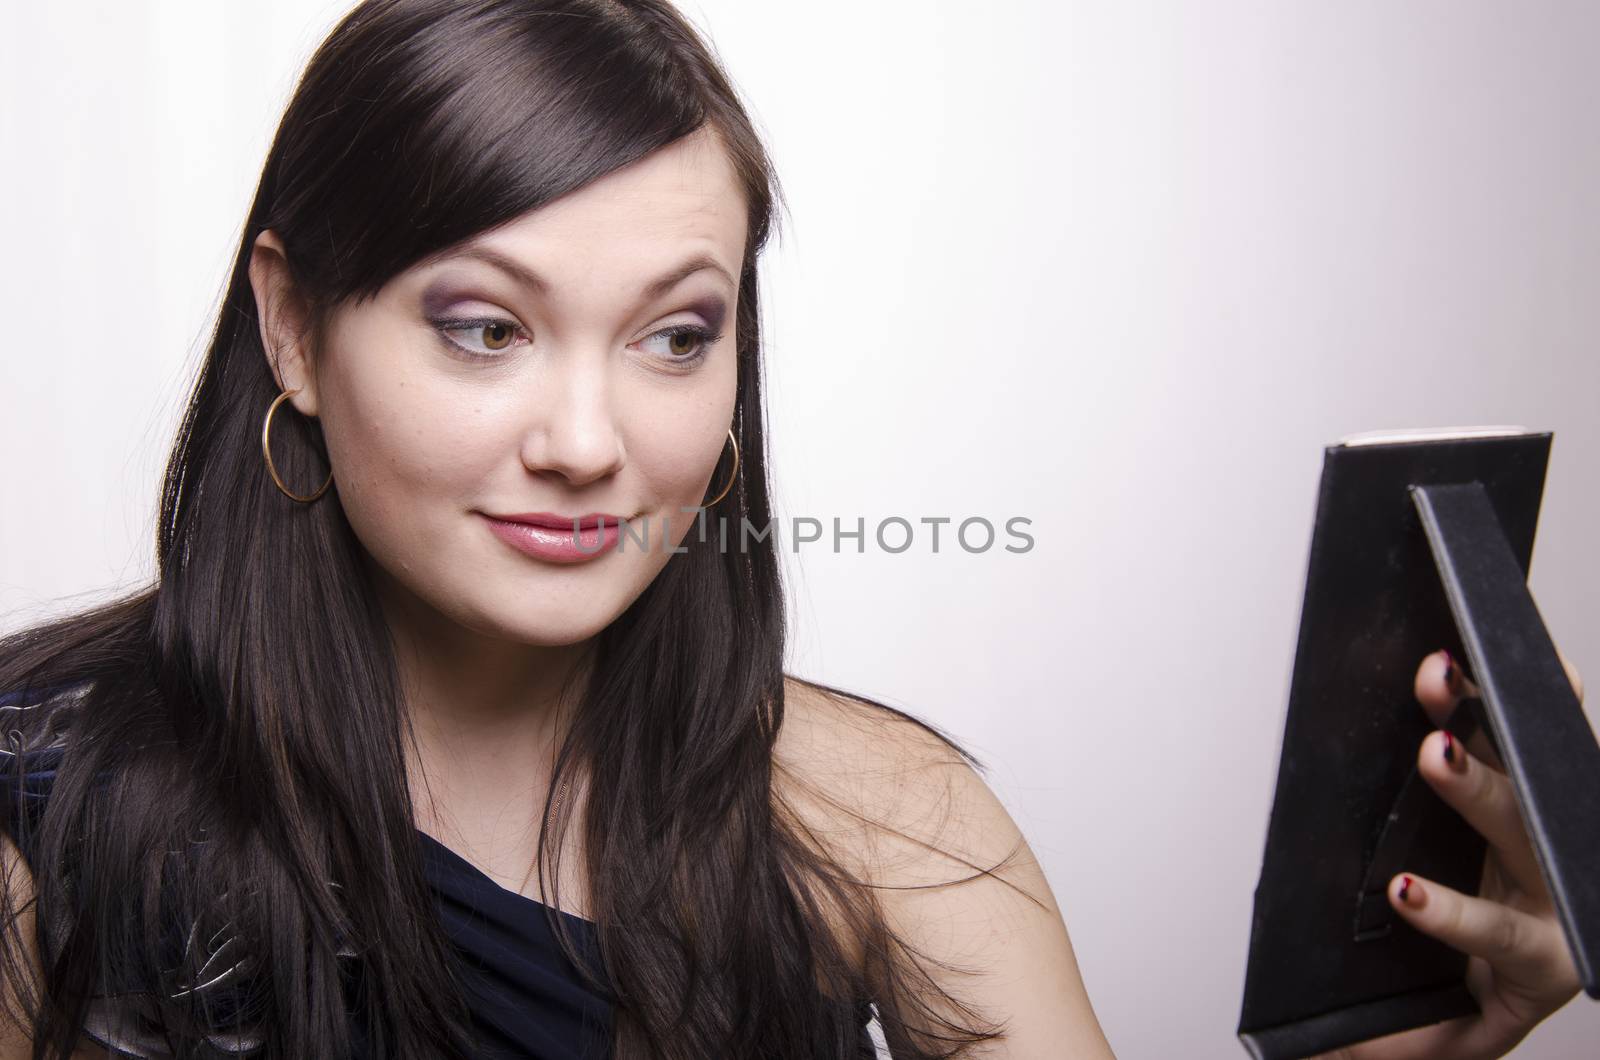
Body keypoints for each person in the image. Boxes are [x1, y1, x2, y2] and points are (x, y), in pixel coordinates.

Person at [0, 1, 1585, 1057]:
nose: (586, 442)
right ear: (291, 326)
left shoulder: (883, 821)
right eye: (484, 327)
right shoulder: (47, 827)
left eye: (675, 335)